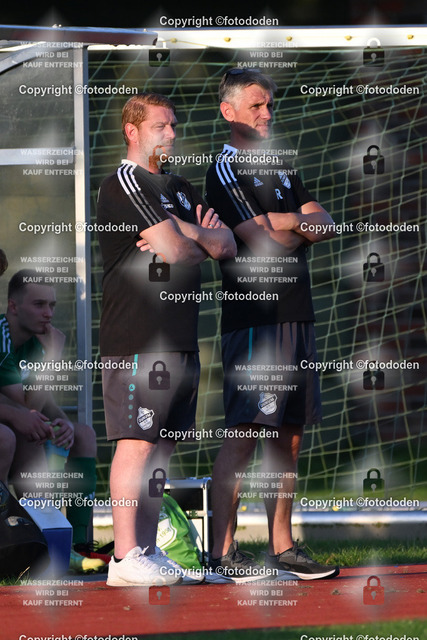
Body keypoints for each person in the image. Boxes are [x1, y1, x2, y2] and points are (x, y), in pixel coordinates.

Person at [96, 92, 236, 587]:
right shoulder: (126, 182)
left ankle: (149, 551)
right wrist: (192, 237)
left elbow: (225, 244)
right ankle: (124, 556)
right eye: (161, 126)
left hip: (181, 338)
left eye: (174, 125)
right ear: (132, 131)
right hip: (138, 338)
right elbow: (178, 251)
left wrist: (180, 230)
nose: (171, 134)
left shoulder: (178, 185)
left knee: (161, 451)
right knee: (136, 444)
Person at [205, 68, 339, 581]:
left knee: (289, 434)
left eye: (269, 105)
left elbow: (326, 223)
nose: (266, 113)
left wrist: (284, 222)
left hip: (297, 313)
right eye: (256, 105)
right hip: (256, 319)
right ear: (229, 112)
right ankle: (222, 552)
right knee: (245, 432)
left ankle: (282, 549)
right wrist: (293, 227)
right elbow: (262, 245)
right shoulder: (225, 169)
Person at [0, 270, 101, 572]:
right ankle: (17, 541)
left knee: (82, 434)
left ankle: (72, 545)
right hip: (8, 431)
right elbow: (26, 407)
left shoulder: (32, 343)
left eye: (52, 305)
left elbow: (39, 404)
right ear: (13, 306)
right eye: (39, 304)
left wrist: (63, 422)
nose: (48, 314)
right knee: (21, 435)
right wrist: (53, 355)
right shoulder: (3, 336)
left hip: (14, 422)